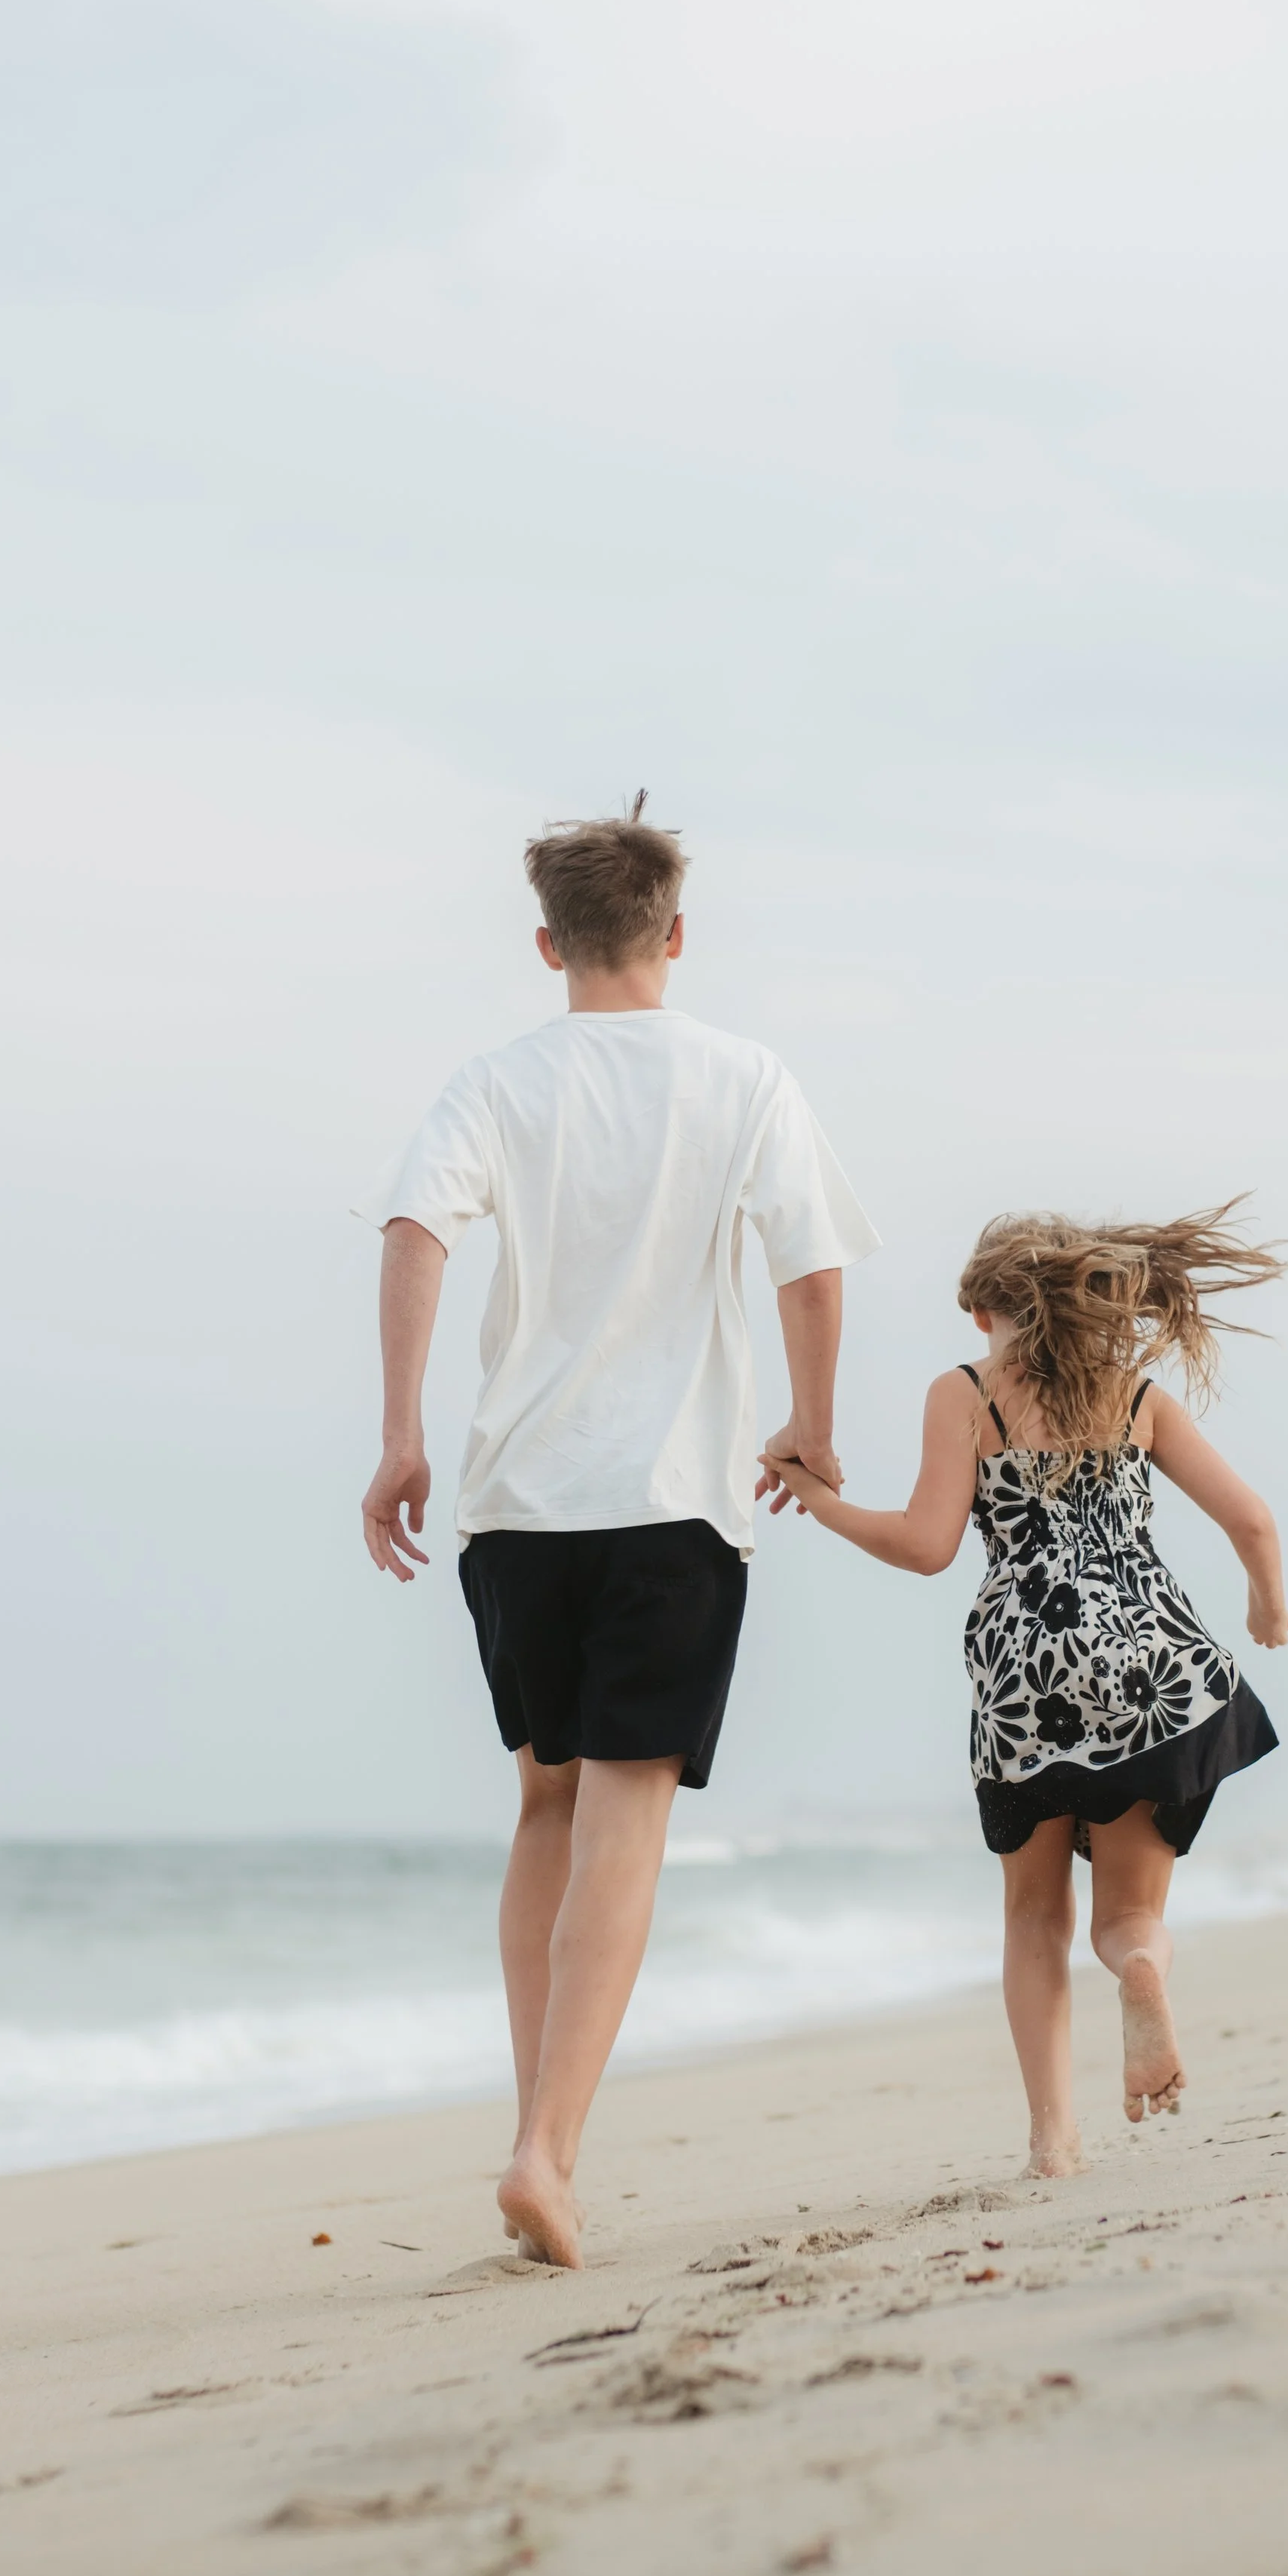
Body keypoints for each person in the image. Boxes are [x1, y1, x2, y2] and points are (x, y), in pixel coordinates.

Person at [357, 797, 878, 2267]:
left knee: (542, 1805)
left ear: (545, 943)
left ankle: (538, 2128)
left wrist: (400, 1435)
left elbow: (412, 1234)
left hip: (517, 1502)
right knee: (626, 1820)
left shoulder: (494, 1083)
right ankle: (546, 2151)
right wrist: (810, 1423)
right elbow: (812, 1265)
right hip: (670, 1504)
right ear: (673, 934)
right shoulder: (742, 1077)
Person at [760, 1205, 1288, 2175]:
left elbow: (926, 1548)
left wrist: (820, 1498)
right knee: (1128, 1917)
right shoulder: (1136, 1398)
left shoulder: (966, 1394)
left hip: (1027, 1679)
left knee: (1032, 1916)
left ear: (982, 1315)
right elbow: (1251, 1520)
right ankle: (1138, 1969)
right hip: (1153, 1673)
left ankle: (1052, 2137)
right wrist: (1268, 1608)